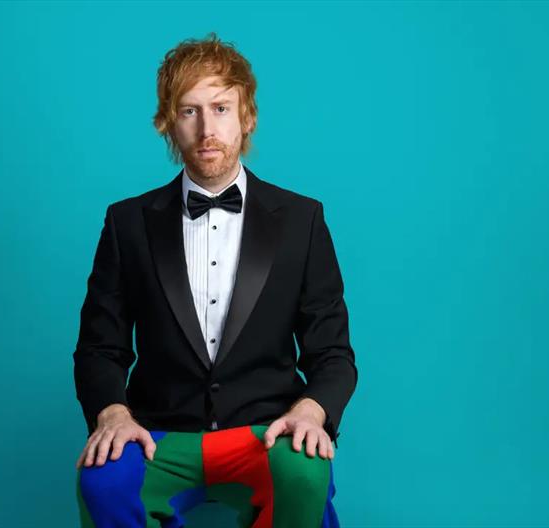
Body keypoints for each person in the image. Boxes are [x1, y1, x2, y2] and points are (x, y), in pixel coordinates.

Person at [73, 32, 358, 527]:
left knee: (305, 472)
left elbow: (332, 353)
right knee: (102, 479)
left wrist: (312, 411)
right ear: (168, 123)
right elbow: (100, 347)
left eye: (221, 108)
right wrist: (113, 413)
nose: (207, 129)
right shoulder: (127, 224)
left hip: (266, 432)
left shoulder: (302, 220)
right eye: (190, 111)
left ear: (247, 117)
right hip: (157, 435)